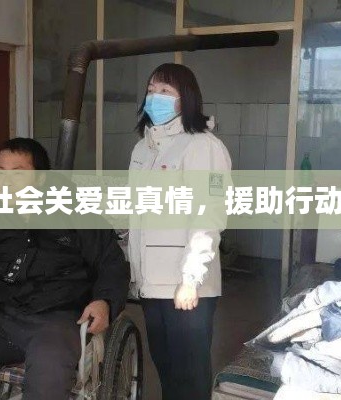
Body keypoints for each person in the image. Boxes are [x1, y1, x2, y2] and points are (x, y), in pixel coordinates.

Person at [0, 138, 130, 400]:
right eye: (0, 172)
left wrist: (104, 301)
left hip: (57, 320)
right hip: (2, 317)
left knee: (49, 365)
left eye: (18, 173)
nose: (6, 181)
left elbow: (110, 261)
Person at [128, 63, 232, 400]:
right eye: (151, 89)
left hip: (186, 285)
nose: (154, 96)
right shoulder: (143, 148)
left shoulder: (202, 146)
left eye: (165, 90)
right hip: (151, 283)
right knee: (166, 366)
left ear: (185, 98)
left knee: (189, 373)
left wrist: (191, 279)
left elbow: (209, 216)